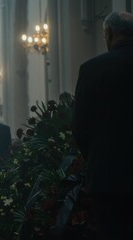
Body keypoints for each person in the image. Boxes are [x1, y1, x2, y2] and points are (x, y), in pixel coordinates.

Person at [72, 11, 133, 240]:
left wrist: (97, 156)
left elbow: (80, 126)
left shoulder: (92, 69)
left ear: (107, 33)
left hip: (108, 175)